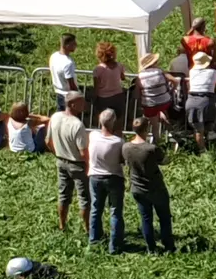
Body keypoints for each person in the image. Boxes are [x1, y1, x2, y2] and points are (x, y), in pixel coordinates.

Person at [126, 114, 175, 254]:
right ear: (146, 129)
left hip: (137, 187)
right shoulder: (151, 149)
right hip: (155, 187)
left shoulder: (126, 147)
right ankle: (168, 246)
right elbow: (165, 161)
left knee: (146, 219)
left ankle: (151, 248)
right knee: (164, 217)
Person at [87, 109, 127, 254]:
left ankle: (94, 240)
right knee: (115, 212)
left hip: (95, 177)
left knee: (96, 209)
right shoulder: (118, 142)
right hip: (113, 176)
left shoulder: (92, 135)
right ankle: (115, 246)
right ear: (114, 122)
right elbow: (122, 160)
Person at [49, 92, 89, 233]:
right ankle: (87, 229)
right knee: (84, 198)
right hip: (77, 164)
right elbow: (83, 151)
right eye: (81, 102)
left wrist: (57, 153)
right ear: (72, 104)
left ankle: (62, 225)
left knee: (63, 195)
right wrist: (89, 166)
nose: (84, 104)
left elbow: (48, 141)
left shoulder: (55, 117)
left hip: (60, 161)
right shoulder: (77, 125)